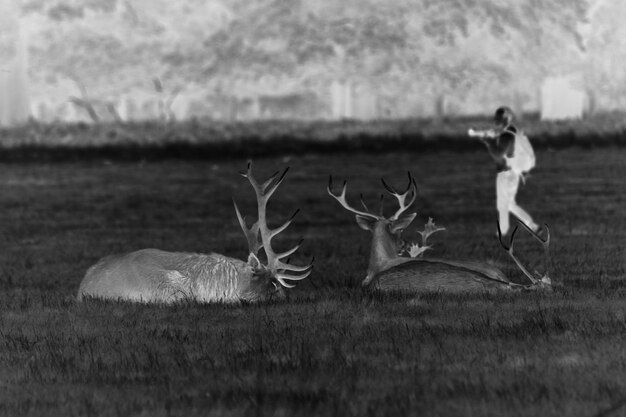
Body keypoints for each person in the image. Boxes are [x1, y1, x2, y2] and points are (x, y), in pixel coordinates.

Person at [469, 106, 541, 236]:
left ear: (506, 118)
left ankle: (501, 232)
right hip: (513, 173)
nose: (495, 120)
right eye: (496, 117)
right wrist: (479, 134)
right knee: (510, 204)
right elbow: (495, 133)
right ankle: (532, 225)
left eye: (499, 118)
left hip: (505, 174)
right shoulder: (512, 130)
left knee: (502, 205)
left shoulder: (506, 136)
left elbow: (498, 154)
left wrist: (489, 143)